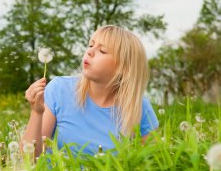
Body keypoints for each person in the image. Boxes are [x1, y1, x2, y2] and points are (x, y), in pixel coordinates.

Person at [21, 25, 159, 158]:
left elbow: (153, 164)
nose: (90, 52)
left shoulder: (139, 107)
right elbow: (30, 157)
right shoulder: (59, 89)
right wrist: (37, 112)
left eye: (102, 51)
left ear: (124, 68)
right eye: (91, 45)